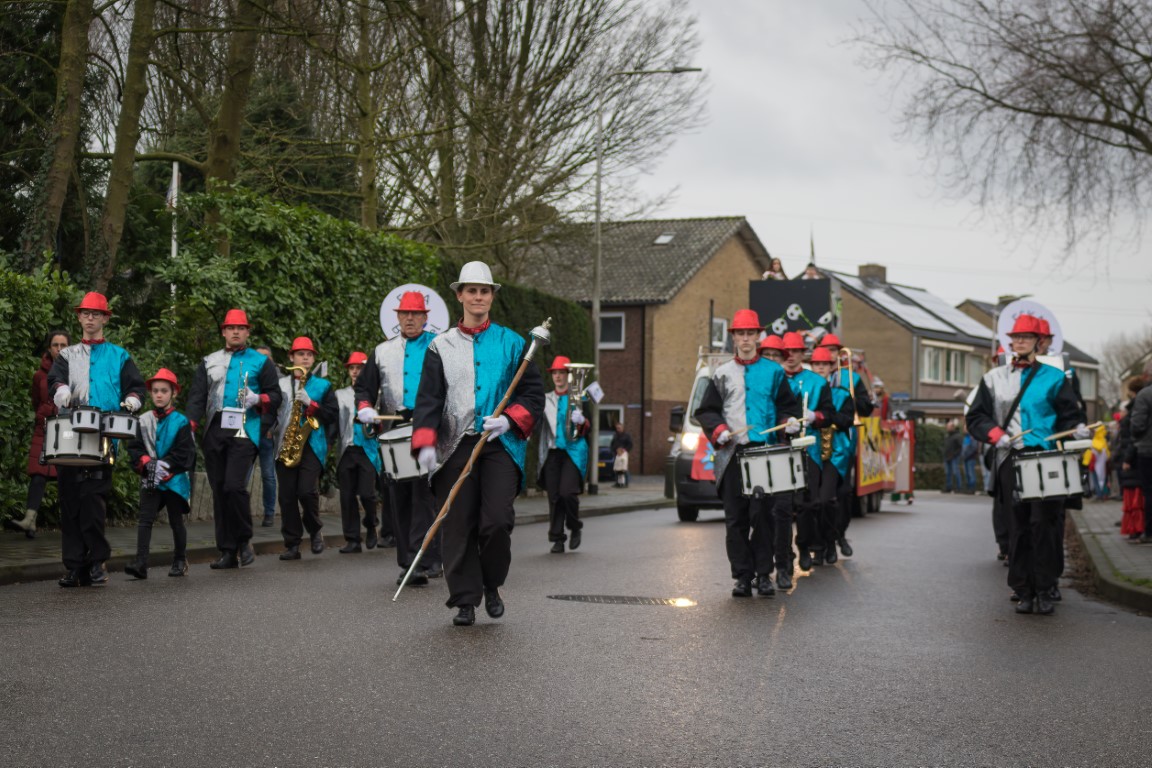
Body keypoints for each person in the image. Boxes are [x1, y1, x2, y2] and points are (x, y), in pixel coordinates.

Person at [411, 260, 544, 626]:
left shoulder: (514, 343)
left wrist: (509, 420)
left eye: (484, 291)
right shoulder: (439, 346)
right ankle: (465, 600)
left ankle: (491, 584)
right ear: (460, 296)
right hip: (454, 445)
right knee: (457, 525)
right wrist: (425, 442)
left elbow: (533, 394)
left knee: (497, 521)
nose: (478, 297)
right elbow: (429, 399)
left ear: (492, 297)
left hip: (500, 445)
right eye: (471, 291)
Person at [966, 314, 1085, 616]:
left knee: (1044, 524)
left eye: (1026, 336)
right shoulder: (993, 377)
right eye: (1015, 336)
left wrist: (1077, 429)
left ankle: (1045, 588)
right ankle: (1023, 590)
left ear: (1038, 342)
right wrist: (996, 435)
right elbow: (976, 416)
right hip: (1011, 456)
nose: (1019, 341)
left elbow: (1069, 416)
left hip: (1047, 457)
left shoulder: (1055, 378)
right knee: (1017, 525)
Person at [694, 310, 801, 597]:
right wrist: (718, 429)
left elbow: (788, 406)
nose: (745, 339)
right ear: (734, 337)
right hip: (732, 452)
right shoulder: (722, 373)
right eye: (740, 334)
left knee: (763, 516)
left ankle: (763, 574)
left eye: (750, 333)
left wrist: (789, 421)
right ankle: (742, 576)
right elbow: (706, 411)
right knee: (736, 518)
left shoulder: (774, 372)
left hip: (764, 452)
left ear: (758, 336)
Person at [48, 292, 146, 587]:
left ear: (105, 318)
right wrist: (61, 391)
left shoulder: (119, 356)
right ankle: (74, 566)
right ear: (79, 317)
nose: (90, 318)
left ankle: (95, 562)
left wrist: (132, 401)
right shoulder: (67, 355)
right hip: (70, 436)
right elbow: (55, 380)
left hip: (103, 438)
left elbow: (136, 387)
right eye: (85, 313)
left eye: (96, 314)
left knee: (93, 503)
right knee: (70, 504)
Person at [356, 290, 441, 584]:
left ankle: (426, 558)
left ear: (425, 317)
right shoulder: (381, 351)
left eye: (415, 314)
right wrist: (365, 407)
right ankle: (409, 561)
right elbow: (364, 388)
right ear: (398, 317)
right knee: (399, 499)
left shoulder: (439, 346)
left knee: (426, 497)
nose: (410, 318)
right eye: (405, 313)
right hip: (393, 432)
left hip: (429, 429)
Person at [185, 308, 281, 570]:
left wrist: (258, 399)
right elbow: (197, 397)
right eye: (231, 328)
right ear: (224, 332)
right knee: (219, 491)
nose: (236, 332)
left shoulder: (262, 362)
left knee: (234, 486)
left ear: (247, 332)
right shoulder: (209, 361)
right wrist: (190, 426)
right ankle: (228, 551)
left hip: (245, 430)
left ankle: (244, 538)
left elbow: (276, 396)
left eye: (240, 328)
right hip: (215, 430)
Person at [124, 369, 197, 579]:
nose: (159, 395)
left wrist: (166, 467)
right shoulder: (143, 420)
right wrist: (145, 462)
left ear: (173, 393)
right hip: (150, 477)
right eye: (155, 391)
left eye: (164, 391)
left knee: (176, 520)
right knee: (145, 519)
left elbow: (185, 453)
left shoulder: (181, 422)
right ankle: (141, 563)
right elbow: (135, 448)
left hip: (174, 479)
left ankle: (180, 560)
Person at [274, 336, 338, 560]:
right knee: (287, 497)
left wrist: (312, 404)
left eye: (309, 355)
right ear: (291, 357)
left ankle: (315, 530)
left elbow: (332, 415)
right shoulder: (280, 385)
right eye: (300, 354)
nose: (305, 358)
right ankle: (292, 544)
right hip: (285, 444)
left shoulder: (323, 386)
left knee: (306, 491)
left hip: (312, 443)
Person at [779, 331, 836, 570]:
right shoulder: (775, 378)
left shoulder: (818, 383)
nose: (791, 356)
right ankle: (783, 554)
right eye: (787, 352)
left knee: (807, 504)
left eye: (796, 351)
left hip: (808, 449)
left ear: (803, 354)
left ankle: (803, 546)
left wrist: (815, 416)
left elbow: (829, 414)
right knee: (781, 506)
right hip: (780, 448)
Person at [8, 329, 70, 538]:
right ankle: (29, 519)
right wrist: (42, 415)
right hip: (43, 429)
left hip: (66, 430)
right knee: (38, 474)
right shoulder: (39, 375)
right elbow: (36, 400)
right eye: (55, 345)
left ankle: (72, 524)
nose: (59, 349)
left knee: (66, 477)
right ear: (49, 348)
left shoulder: (74, 372)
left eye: (63, 345)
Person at [807, 346, 857, 561]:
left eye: (824, 364)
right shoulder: (807, 390)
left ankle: (830, 541)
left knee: (828, 500)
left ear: (831, 368)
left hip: (834, 454)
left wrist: (825, 416)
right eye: (817, 364)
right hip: (811, 451)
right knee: (811, 502)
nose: (820, 368)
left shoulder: (842, 395)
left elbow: (847, 420)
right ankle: (817, 546)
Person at [538, 356, 589, 553]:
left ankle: (575, 526)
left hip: (573, 452)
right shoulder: (545, 399)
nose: (558, 376)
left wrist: (582, 421)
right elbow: (537, 424)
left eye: (562, 373)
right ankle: (557, 538)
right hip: (552, 453)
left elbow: (589, 426)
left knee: (567, 493)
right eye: (555, 373)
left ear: (568, 375)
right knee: (554, 497)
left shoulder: (579, 398)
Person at [334, 351, 382, 553]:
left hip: (368, 450)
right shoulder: (339, 395)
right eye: (352, 368)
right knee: (346, 497)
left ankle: (371, 525)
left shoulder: (377, 395)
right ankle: (352, 540)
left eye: (360, 368)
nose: (355, 372)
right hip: (347, 449)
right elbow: (333, 422)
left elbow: (383, 423)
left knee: (367, 494)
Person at [253, 344, 278, 527]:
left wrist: (272, 429)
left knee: (268, 475)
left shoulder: (278, 380)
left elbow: (281, 409)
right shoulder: (249, 378)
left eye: (266, 357)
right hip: (248, 433)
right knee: (242, 477)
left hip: (267, 434)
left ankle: (269, 513)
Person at [1117, 380, 1144, 540]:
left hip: (1133, 458)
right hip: (1135, 455)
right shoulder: (1136, 407)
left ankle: (1135, 527)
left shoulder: (1135, 409)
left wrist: (1127, 458)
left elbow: (1133, 436)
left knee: (1134, 496)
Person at [1129, 360, 1152, 545]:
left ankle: (1149, 533)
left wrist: (1136, 438)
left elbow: (1137, 425)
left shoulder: (1145, 395)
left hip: (1148, 450)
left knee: (1149, 492)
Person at [609, 421, 633, 488]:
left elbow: (630, 444)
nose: (618, 429)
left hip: (623, 454)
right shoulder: (615, 435)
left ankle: (626, 483)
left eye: (619, 428)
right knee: (617, 469)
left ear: (622, 428)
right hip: (616, 454)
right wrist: (613, 450)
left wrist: (624, 450)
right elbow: (612, 443)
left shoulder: (627, 435)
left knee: (624, 468)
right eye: (617, 428)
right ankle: (618, 483)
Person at [943, 422, 963, 493]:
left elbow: (960, 447)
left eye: (949, 427)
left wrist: (955, 454)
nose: (947, 428)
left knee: (956, 472)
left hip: (954, 457)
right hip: (947, 457)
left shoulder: (957, 436)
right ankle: (948, 487)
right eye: (947, 427)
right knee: (948, 473)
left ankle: (959, 487)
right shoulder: (947, 436)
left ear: (953, 427)